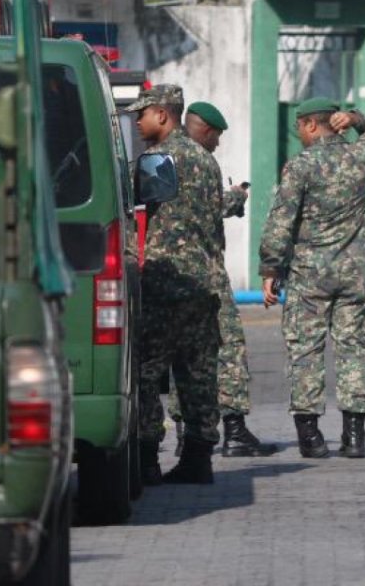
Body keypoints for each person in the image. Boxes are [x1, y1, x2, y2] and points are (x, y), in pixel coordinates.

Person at [258, 98, 365, 459]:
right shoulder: (359, 157)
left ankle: (311, 438)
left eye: (299, 126)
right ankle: (355, 436)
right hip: (353, 273)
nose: (299, 134)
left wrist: (270, 270)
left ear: (312, 125)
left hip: (309, 276)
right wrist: (357, 117)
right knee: (352, 348)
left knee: (305, 350)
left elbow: (280, 224)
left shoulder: (300, 166)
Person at [128, 84, 224, 485]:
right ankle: (199, 458)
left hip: (166, 280)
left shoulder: (156, 159)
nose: (137, 122)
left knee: (149, 372)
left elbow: (140, 215)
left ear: (163, 116)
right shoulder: (205, 159)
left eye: (142, 114)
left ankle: (148, 458)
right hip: (203, 282)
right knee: (198, 373)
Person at [178, 100, 277, 458]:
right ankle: (234, 431)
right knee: (229, 347)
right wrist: (236, 197)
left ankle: (183, 432)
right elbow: (206, 208)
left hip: (172, 275)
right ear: (205, 129)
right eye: (217, 136)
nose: (218, 144)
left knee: (183, 353)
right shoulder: (199, 160)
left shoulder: (163, 156)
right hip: (205, 272)